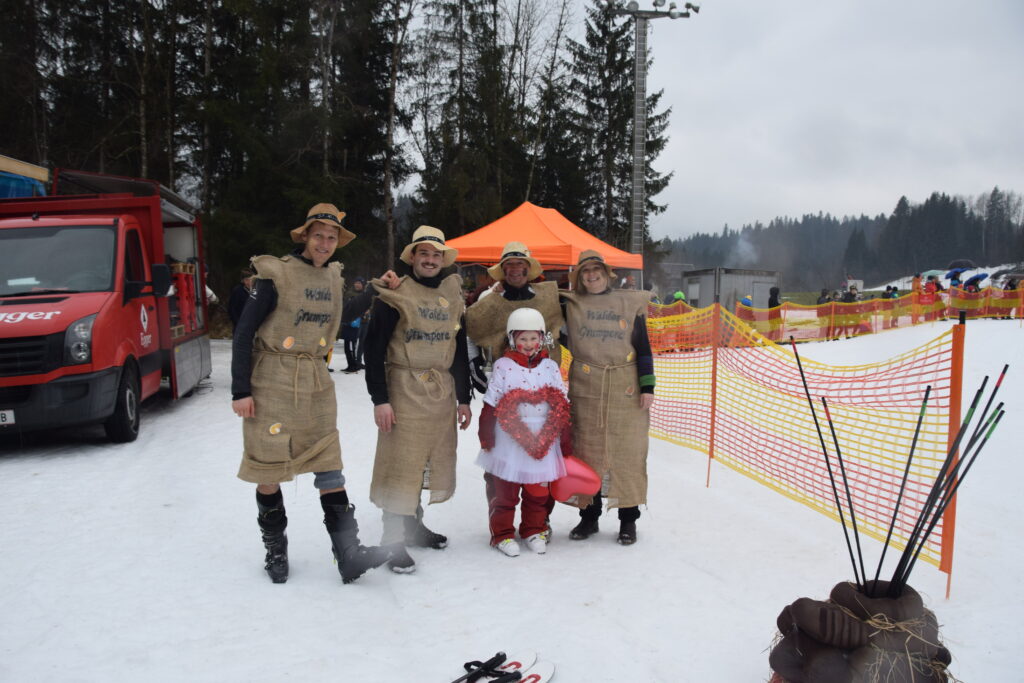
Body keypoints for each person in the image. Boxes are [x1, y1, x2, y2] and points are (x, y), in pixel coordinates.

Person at [231, 203, 390, 584]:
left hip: (316, 381)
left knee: (329, 461)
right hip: (272, 379)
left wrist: (374, 289)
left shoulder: (332, 277)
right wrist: (241, 389)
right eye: (318, 235)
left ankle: (348, 553)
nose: (325, 242)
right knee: (268, 468)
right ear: (305, 236)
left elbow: (342, 315)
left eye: (331, 237)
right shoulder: (277, 273)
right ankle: (275, 550)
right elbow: (243, 332)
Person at [364, 225, 473, 574]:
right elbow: (373, 348)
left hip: (439, 392)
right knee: (402, 463)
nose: (430, 260)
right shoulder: (396, 293)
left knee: (425, 461)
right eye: (423, 253)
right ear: (412, 257)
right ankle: (392, 539)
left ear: (443, 259)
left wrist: (464, 397)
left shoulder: (451, 294)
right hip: (404, 389)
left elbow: (458, 349)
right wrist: (380, 399)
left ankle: (413, 527)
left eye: (436, 254)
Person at [561, 250, 655, 545]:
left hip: (625, 387)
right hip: (586, 387)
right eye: (586, 271)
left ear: (606, 273)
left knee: (627, 453)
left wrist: (647, 386)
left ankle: (628, 520)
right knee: (587, 453)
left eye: (596, 270)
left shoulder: (627, 302)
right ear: (579, 277)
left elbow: (643, 346)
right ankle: (589, 517)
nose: (591, 275)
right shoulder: (571, 304)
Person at [476, 308, 571, 557]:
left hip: (543, 441)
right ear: (512, 339)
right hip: (509, 440)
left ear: (541, 338)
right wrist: (486, 435)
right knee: (505, 493)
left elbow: (561, 403)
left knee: (537, 493)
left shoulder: (550, 367)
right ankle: (502, 534)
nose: (529, 344)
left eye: (533, 338)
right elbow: (491, 403)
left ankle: (533, 530)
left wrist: (565, 438)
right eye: (523, 338)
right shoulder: (503, 366)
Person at [465, 241, 564, 387]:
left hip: (545, 381)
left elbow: (564, 328)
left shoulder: (548, 296)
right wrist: (475, 363)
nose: (514, 268)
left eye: (520, 263)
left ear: (528, 268)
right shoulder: (488, 299)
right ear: (503, 269)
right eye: (509, 264)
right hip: (505, 382)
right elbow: (471, 333)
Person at [339, 275, 367, 372]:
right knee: (350, 345)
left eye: (359, 283)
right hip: (351, 323)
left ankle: (356, 363)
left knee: (359, 344)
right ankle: (352, 364)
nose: (357, 285)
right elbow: (345, 307)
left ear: (363, 285)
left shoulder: (366, 295)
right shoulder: (349, 294)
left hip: (363, 323)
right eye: (356, 282)